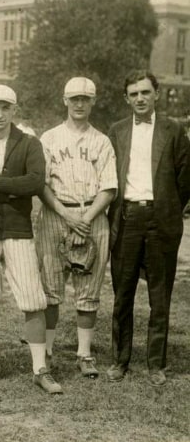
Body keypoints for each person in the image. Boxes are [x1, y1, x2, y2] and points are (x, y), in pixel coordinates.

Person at [0, 85, 61, 394]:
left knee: (32, 298)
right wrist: (12, 187)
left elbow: (35, 182)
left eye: (5, 108)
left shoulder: (29, 142)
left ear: (14, 110)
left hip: (18, 227)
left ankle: (40, 367)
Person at [106, 70, 190, 386]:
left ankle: (156, 364)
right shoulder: (117, 131)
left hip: (161, 220)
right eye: (133, 94)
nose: (140, 98)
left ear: (156, 93)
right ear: (127, 98)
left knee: (160, 295)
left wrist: (167, 206)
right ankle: (119, 361)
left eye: (145, 92)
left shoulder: (174, 130)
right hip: (126, 219)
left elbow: (185, 178)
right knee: (122, 293)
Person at [36, 77, 117, 379]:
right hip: (57, 214)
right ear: (64, 100)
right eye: (74, 99)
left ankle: (84, 353)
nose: (79, 104)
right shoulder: (49, 138)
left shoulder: (102, 141)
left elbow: (109, 187)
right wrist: (68, 217)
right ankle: (46, 349)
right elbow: (41, 185)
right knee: (51, 289)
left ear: (93, 101)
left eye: (85, 98)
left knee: (89, 289)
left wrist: (86, 217)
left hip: (93, 215)